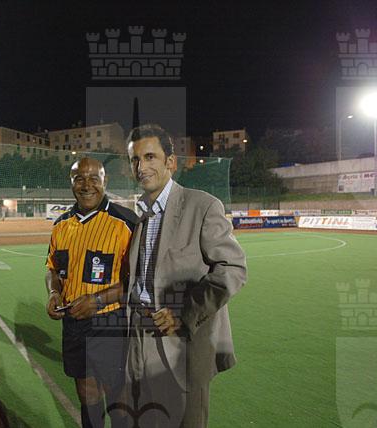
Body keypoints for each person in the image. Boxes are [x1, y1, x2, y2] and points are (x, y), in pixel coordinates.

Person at [125, 124, 247, 427]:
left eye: (150, 157)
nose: (141, 167)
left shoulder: (202, 205)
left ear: (170, 162)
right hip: (139, 336)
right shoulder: (141, 214)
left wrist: (183, 312)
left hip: (182, 339)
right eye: (135, 159)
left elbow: (233, 268)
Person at [46, 158, 137, 428]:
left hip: (111, 321)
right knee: (86, 391)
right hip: (73, 322)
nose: (87, 185)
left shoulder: (126, 222)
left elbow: (139, 280)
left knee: (117, 393)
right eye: (79, 179)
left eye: (94, 178)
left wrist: (98, 300)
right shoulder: (61, 225)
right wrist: (53, 293)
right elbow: (52, 269)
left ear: (105, 181)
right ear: (71, 183)